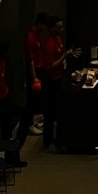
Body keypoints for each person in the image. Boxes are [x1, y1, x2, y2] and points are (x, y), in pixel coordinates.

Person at [0, 42, 26, 164]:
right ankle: (12, 156)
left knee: (8, 129)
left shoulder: (1, 64)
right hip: (0, 103)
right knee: (7, 129)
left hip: (5, 98)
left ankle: (12, 155)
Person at [38, 16, 66, 152]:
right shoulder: (48, 44)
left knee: (59, 112)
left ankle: (58, 140)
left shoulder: (58, 40)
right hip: (50, 82)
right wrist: (64, 57)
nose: (61, 30)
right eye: (59, 27)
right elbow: (50, 66)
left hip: (59, 78)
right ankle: (48, 142)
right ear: (52, 28)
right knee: (50, 113)